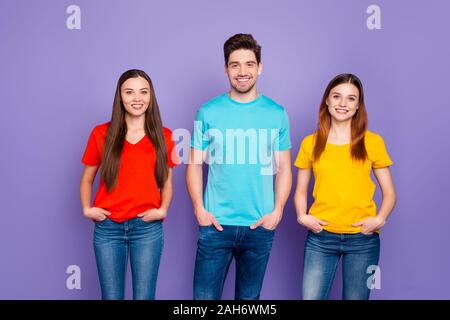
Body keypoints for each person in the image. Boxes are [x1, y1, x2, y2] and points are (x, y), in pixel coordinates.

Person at [186, 33, 292, 300]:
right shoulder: (207, 112)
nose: (242, 71)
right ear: (226, 69)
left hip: (259, 226)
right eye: (235, 65)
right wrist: (200, 209)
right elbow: (194, 164)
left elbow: (284, 169)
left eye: (249, 64)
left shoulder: (276, 113)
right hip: (215, 226)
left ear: (260, 67)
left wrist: (277, 211)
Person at [294, 73, 397, 300]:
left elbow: (389, 193)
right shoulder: (310, 143)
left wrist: (379, 219)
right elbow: (300, 190)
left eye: (351, 98)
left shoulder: (373, 142)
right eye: (337, 96)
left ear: (358, 105)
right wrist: (302, 216)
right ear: (327, 101)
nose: (343, 103)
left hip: (362, 239)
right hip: (321, 238)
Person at [79, 69, 177, 300]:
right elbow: (86, 179)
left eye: (143, 92)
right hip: (108, 229)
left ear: (151, 96)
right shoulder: (101, 133)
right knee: (111, 297)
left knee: (144, 297)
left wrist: (162, 210)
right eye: (129, 92)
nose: (137, 98)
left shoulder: (164, 135)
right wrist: (87, 208)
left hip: (147, 228)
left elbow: (167, 183)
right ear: (120, 96)